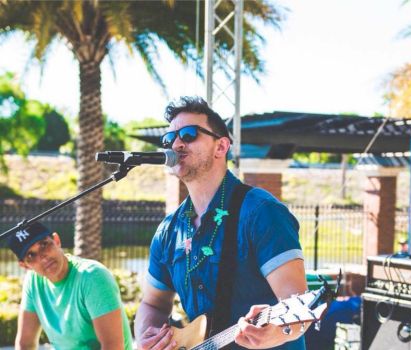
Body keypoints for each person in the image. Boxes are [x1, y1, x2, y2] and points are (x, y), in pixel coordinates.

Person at [134, 96, 308, 350]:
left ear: (221, 146)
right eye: (169, 139)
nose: (177, 144)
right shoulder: (169, 231)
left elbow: (299, 304)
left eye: (189, 134)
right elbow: (152, 304)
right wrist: (147, 336)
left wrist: (277, 332)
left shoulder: (262, 212)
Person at [7, 222, 133, 349]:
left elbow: (113, 346)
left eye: (44, 245)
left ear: (56, 240)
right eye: (31, 255)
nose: (42, 257)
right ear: (24, 265)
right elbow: (25, 344)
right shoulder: (33, 281)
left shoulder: (93, 276)